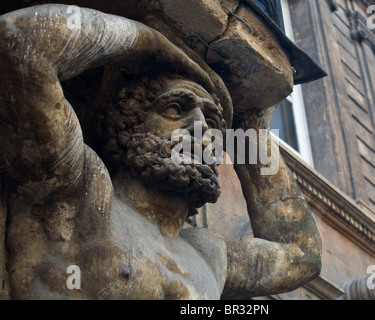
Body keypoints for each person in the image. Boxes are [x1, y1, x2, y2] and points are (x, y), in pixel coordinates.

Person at [0, 4, 321, 299]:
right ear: (127, 125)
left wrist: (252, 134)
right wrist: (149, 43)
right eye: (175, 108)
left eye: (211, 120)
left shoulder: (209, 254)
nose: (200, 128)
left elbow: (302, 253)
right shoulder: (82, 191)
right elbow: (20, 44)